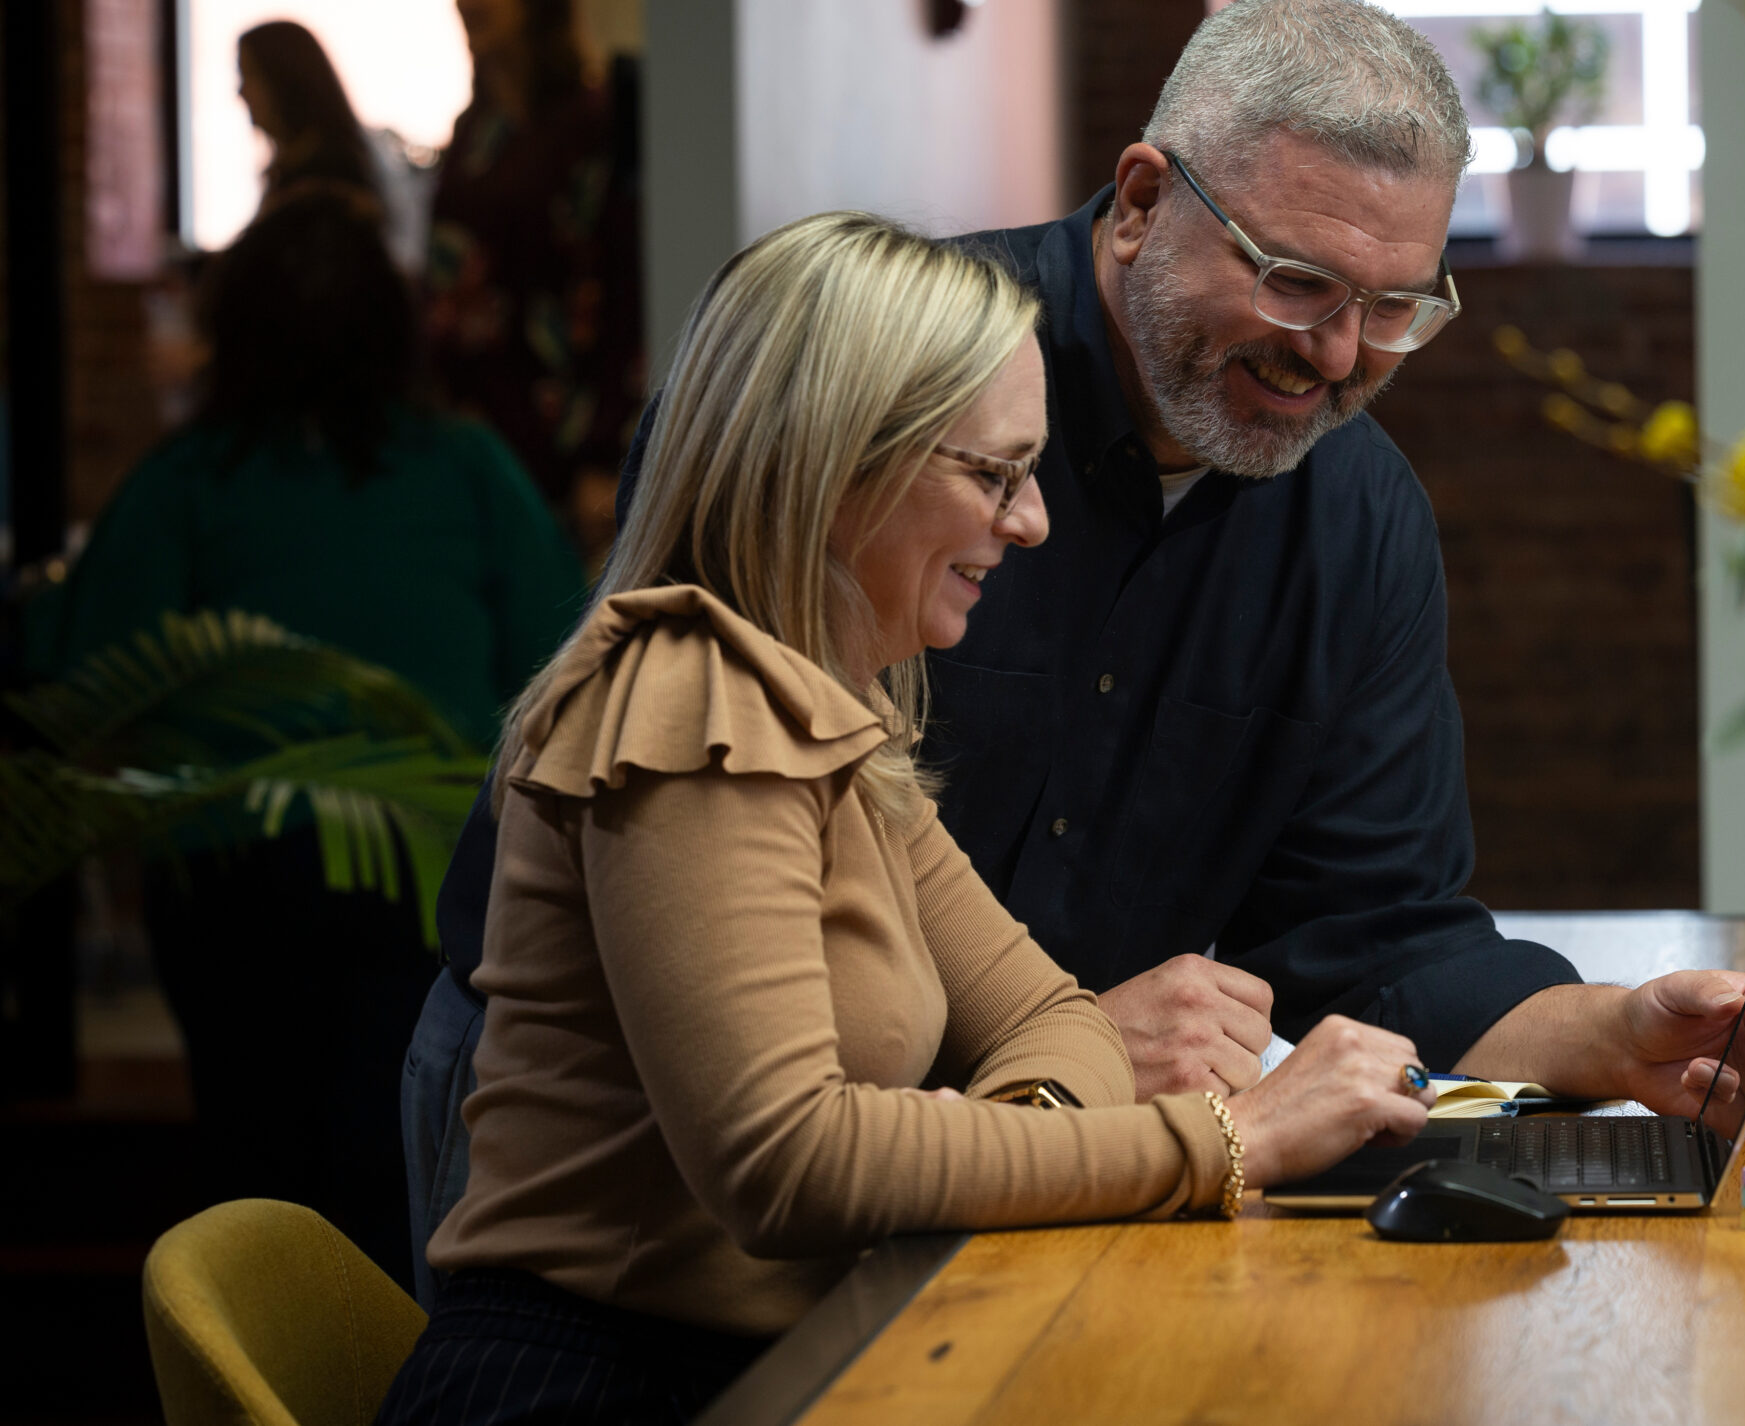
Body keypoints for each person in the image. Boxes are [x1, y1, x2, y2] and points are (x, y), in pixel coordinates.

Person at [407, 0, 1745, 1282]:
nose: (1337, 356)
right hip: (644, 1179)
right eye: (1295, 282)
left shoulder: (1354, 515)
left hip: (996, 1163)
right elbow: (784, 1132)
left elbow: (1375, 925)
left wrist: (1612, 1035)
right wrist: (1185, 1114)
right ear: (1144, 200)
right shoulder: (863, 391)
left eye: (1393, 310)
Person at [371, 215, 1437, 1423]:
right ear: (833, 463)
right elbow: (794, 1166)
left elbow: (1053, 1016)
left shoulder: (838, 716)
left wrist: (974, 1135)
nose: (1030, 523)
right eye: (992, 475)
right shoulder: (689, 700)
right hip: (590, 1384)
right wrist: (1227, 1140)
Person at [44, 189, 587, 1284]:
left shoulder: (188, 483)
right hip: (431, 871)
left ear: (234, 328)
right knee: (410, 1171)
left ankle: (256, 1372)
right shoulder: (465, 469)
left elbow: (79, 678)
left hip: (229, 875)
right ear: (397, 326)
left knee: (255, 1176)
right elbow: (565, 661)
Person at [423, 0, 643, 561]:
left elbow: (620, 287)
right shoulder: (474, 131)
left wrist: (605, 453)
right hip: (469, 428)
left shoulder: (591, 124)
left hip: (559, 436)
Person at [235, 20, 377, 216]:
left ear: (283, 82)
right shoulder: (320, 179)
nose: (240, 92)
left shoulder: (320, 190)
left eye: (249, 75)